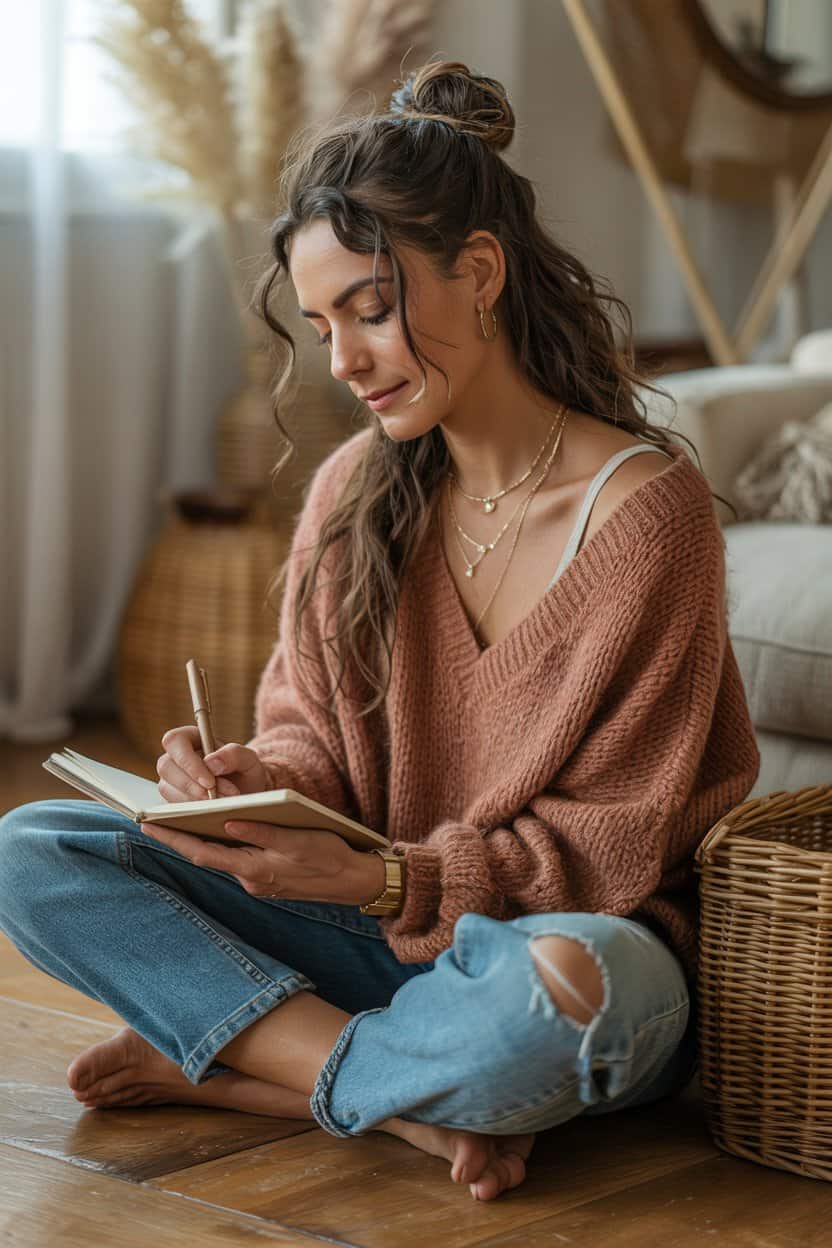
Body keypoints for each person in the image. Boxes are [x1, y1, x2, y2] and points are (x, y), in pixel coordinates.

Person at [0, 60, 760, 1202]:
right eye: (320, 325)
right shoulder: (355, 488)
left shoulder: (648, 514)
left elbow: (610, 854)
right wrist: (254, 784)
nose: (343, 362)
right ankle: (396, 1098)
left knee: (567, 992)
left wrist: (388, 881)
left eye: (369, 310)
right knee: (34, 850)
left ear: (481, 272)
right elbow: (311, 735)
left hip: (545, 949)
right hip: (371, 925)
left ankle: (258, 1060)